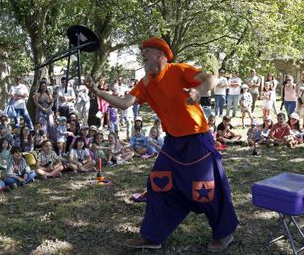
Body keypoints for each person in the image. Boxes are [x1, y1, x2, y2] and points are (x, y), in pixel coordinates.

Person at [85, 37, 237, 251]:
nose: (143, 55)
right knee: (158, 184)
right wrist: (99, 92)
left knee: (207, 187)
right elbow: (125, 103)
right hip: (173, 143)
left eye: (146, 51)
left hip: (197, 140)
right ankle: (152, 236)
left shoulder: (178, 70)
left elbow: (210, 79)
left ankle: (224, 233)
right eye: (143, 52)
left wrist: (198, 91)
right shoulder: (146, 82)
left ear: (160, 54)